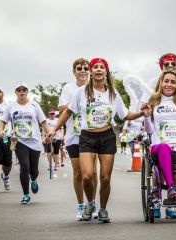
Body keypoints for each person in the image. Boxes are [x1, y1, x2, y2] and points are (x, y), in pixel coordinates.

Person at [48, 58, 145, 223]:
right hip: (87, 137)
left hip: (107, 136)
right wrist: (54, 129)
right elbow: (68, 112)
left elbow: (125, 115)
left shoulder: (113, 93)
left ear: (106, 71)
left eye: (102, 67)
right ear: (91, 72)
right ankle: (91, 203)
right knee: (87, 175)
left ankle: (103, 209)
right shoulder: (81, 92)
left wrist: (141, 113)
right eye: (95, 67)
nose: (99, 69)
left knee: (105, 177)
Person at [143, 70, 176, 214]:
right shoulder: (153, 103)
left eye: (173, 82)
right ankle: (171, 188)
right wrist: (147, 117)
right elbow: (149, 130)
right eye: (166, 81)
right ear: (160, 83)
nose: (169, 84)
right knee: (163, 147)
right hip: (160, 145)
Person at [57, 58, 99, 220]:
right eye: (79, 68)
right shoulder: (68, 88)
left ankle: (92, 204)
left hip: (92, 135)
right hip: (73, 136)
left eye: (85, 68)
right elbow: (62, 109)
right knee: (78, 173)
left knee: (92, 171)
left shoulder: (96, 86)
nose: (83, 71)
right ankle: (81, 206)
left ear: (89, 71)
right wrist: (77, 103)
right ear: (74, 71)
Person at [0, 82, 50, 204]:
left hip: (35, 140)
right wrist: (1, 130)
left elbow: (43, 121)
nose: (22, 91)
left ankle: (33, 180)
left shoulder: (34, 105)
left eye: (24, 89)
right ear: (15, 92)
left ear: (27, 92)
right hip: (19, 140)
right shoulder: (11, 106)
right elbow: (2, 121)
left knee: (34, 170)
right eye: (19, 89)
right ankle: (26, 194)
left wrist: (48, 133)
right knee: (24, 166)